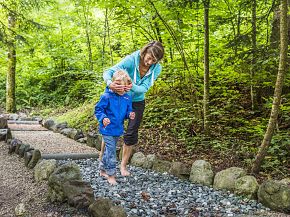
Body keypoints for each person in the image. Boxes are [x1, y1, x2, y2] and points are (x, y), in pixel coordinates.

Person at [103, 41, 164, 176]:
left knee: (131, 132)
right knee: (111, 128)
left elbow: (144, 88)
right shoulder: (131, 60)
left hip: (137, 101)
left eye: (154, 60)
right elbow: (108, 71)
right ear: (144, 52)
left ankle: (123, 166)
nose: (149, 62)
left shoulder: (157, 68)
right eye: (148, 58)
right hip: (118, 98)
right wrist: (110, 84)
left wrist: (133, 87)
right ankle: (103, 159)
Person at [95, 70, 135, 185]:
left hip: (118, 129)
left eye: (125, 87)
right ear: (114, 85)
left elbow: (128, 110)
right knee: (112, 151)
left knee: (108, 151)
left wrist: (130, 114)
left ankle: (102, 169)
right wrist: (103, 118)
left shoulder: (127, 98)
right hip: (107, 129)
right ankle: (111, 175)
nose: (123, 89)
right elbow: (98, 109)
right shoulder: (106, 96)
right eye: (120, 86)